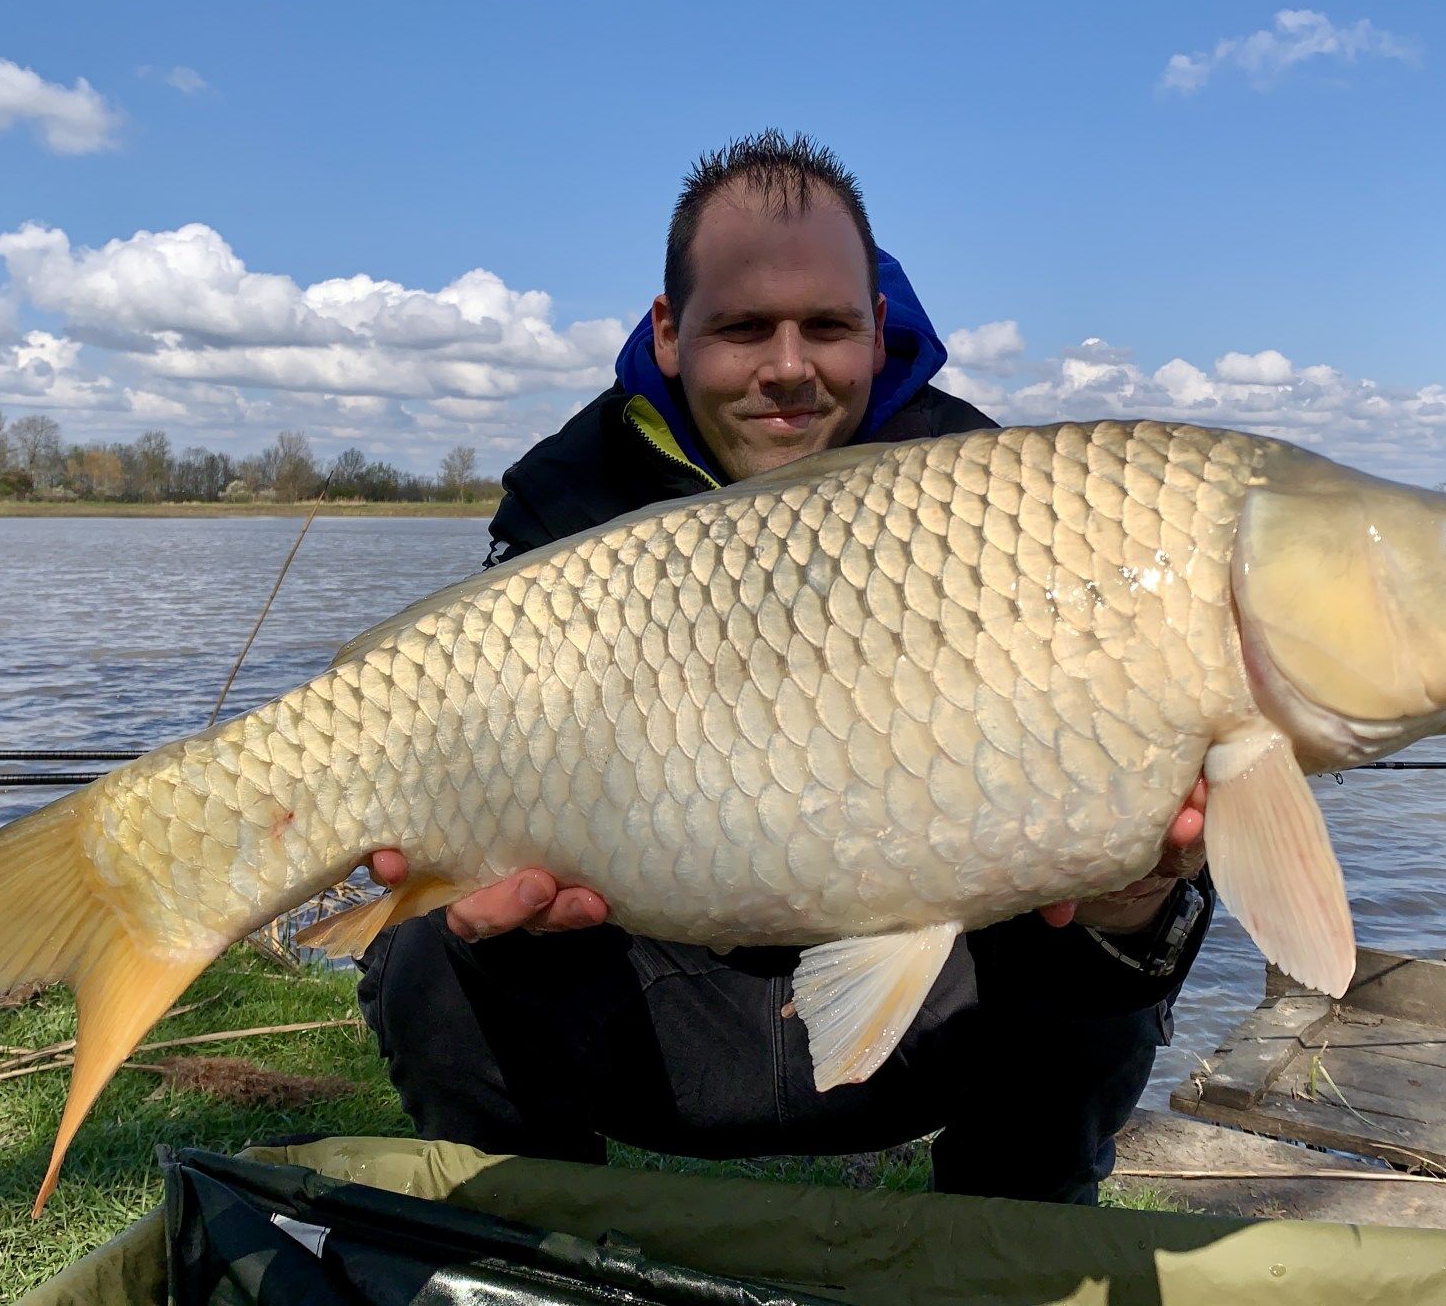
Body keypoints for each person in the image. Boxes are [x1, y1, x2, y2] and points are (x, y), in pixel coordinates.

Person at [355, 131, 1213, 1204]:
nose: (790, 367)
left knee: (1132, 900)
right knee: (435, 946)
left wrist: (1125, 903)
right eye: (746, 327)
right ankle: (531, 1241)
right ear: (670, 333)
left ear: (879, 328)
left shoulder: (994, 497)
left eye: (829, 327)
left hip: (919, 1012)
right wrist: (496, 906)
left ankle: (1014, 1241)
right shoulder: (569, 503)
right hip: (655, 1001)